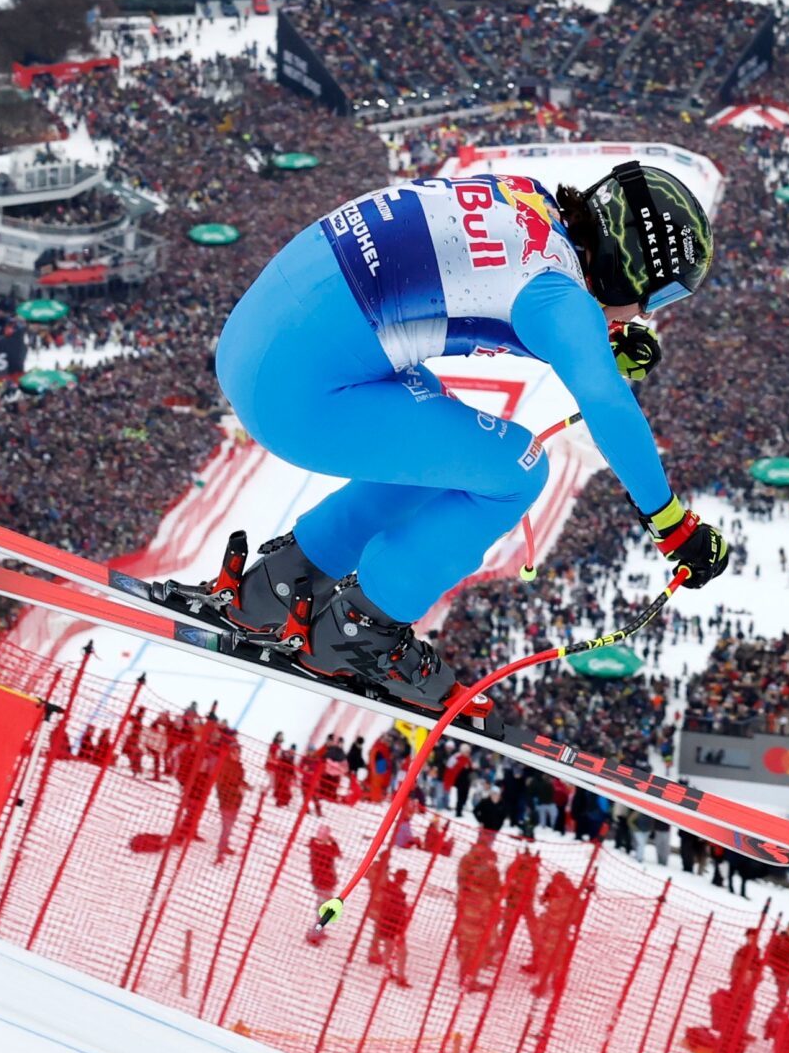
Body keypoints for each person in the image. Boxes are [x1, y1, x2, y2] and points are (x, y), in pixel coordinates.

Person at [177, 164, 728, 707]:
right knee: (519, 468)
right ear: (630, 265)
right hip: (297, 398)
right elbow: (606, 400)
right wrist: (671, 524)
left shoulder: (525, 199)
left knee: (450, 446)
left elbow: (488, 287)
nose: (645, 315)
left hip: (260, 345)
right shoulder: (558, 296)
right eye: (656, 298)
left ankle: (286, 581)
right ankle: (361, 633)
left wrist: (595, 341)